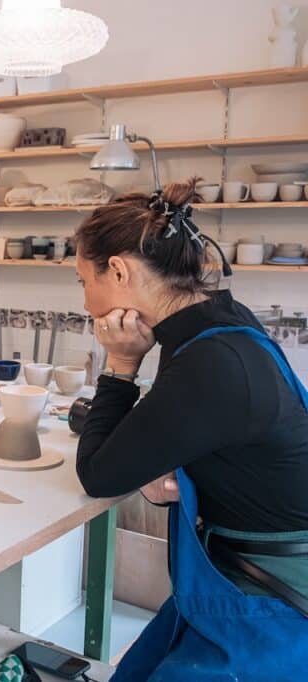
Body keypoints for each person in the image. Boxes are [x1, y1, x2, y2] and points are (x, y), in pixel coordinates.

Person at [71, 178, 308, 679]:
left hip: (269, 600)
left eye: (83, 281)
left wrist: (119, 364)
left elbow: (97, 474)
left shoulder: (211, 360)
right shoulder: (222, 322)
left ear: (118, 271)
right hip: (238, 571)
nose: (86, 299)